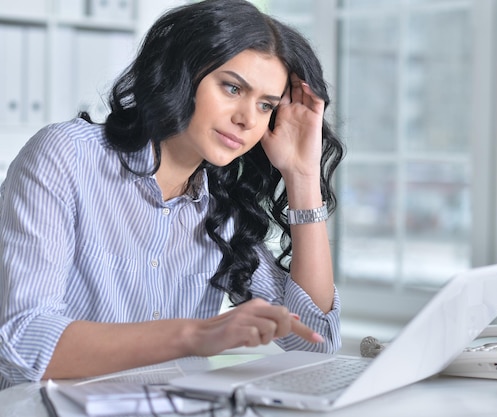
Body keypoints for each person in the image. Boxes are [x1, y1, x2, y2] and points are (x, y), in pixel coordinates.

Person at [0, 0, 344, 389]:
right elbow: (22, 344)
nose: (247, 119)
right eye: (232, 87)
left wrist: (302, 175)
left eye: (265, 105)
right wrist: (195, 335)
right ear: (183, 74)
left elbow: (314, 340)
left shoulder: (222, 205)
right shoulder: (67, 155)